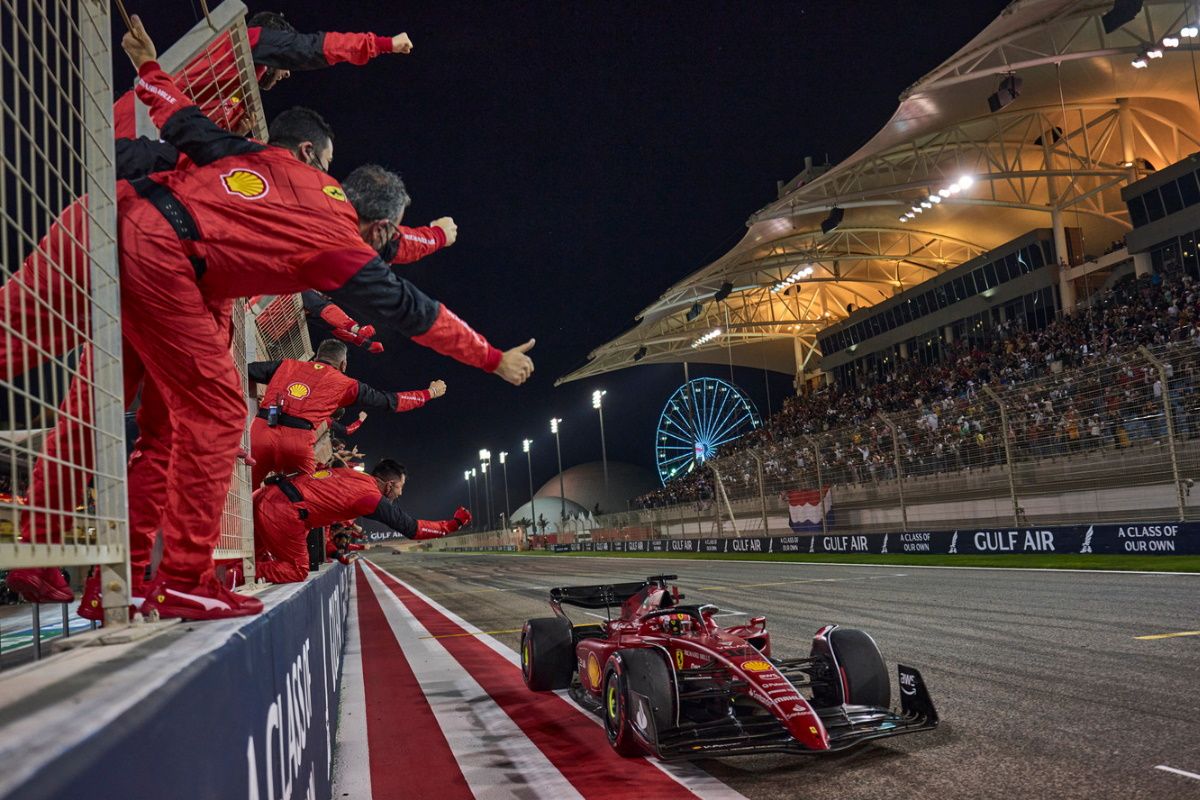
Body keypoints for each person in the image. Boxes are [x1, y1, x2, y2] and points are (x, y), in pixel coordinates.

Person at [118, 17, 534, 620]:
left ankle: (141, 577)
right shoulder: (337, 276)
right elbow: (412, 316)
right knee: (208, 417)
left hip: (126, 219)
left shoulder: (284, 172)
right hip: (169, 262)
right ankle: (181, 576)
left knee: (160, 420)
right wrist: (491, 358)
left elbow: (188, 123)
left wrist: (148, 68)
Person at [112, 11, 414, 138]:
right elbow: (311, 48)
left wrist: (232, 135)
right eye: (285, 64)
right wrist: (383, 44)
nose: (287, 75)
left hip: (150, 145)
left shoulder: (240, 97)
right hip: (134, 120)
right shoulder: (250, 40)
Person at [247, 338, 446, 487]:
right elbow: (390, 401)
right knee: (304, 502)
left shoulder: (287, 365)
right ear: (343, 365)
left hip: (262, 431)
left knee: (243, 494)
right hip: (297, 443)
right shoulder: (347, 384)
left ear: (317, 356)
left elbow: (247, 370)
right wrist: (430, 393)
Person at [253, 459, 469, 583]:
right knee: (298, 570)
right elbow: (411, 528)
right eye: (401, 488)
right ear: (390, 484)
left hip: (264, 494)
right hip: (283, 512)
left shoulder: (351, 474)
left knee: (255, 556)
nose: (400, 494)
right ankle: (240, 575)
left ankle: (232, 575)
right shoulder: (369, 497)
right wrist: (452, 525)